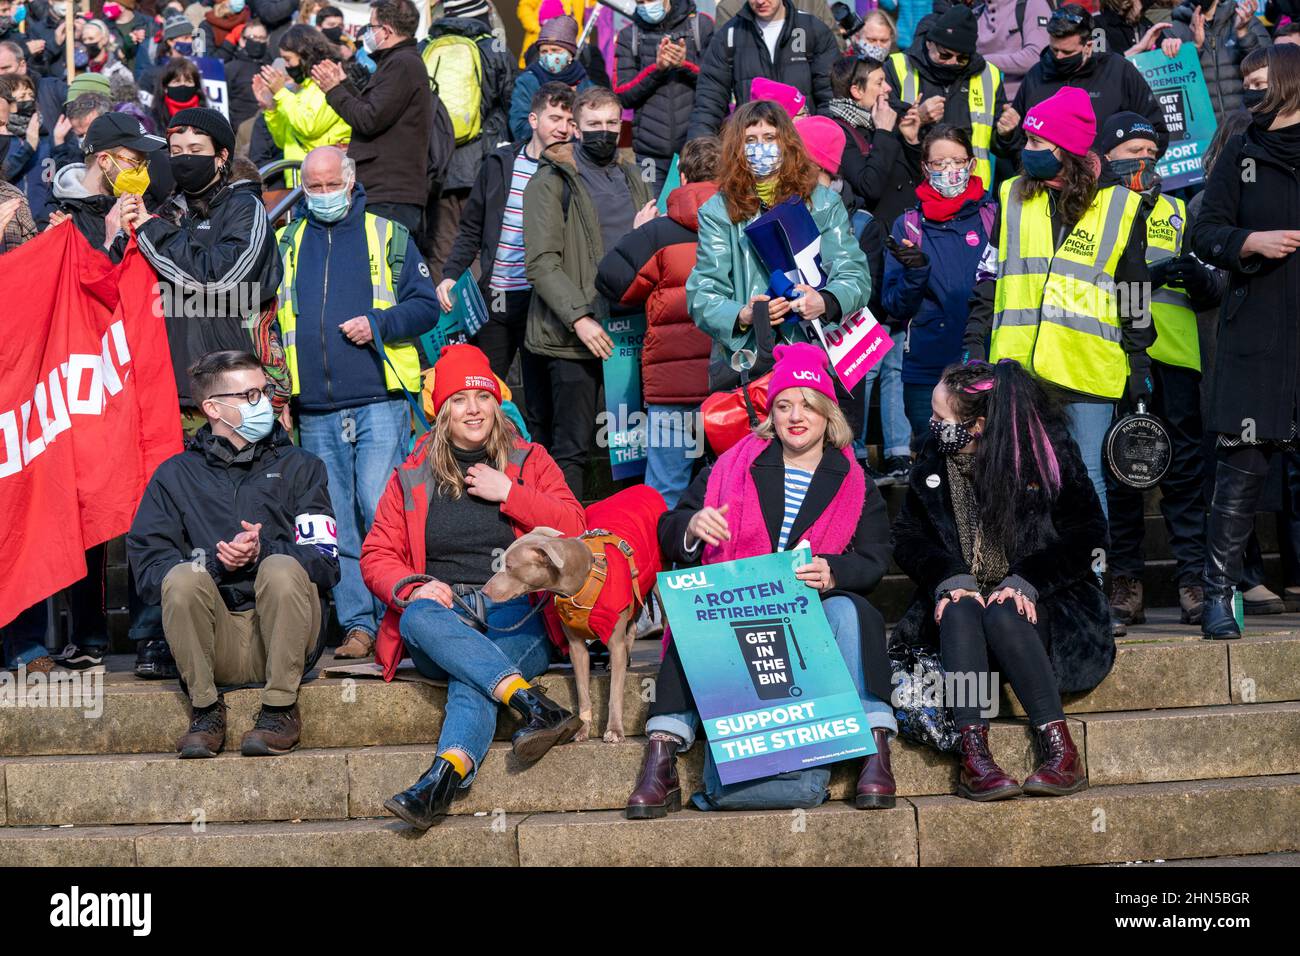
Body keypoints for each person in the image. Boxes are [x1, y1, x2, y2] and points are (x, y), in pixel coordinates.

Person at [627, 342, 898, 817]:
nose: (796, 416)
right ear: (770, 413)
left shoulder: (853, 479)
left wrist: (834, 570)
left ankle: (875, 751)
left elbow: (876, 559)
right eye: (784, 405)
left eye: (807, 405)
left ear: (827, 412)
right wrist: (692, 527)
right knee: (697, 613)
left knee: (853, 611)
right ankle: (662, 757)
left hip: (807, 607)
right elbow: (670, 529)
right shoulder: (730, 465)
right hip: (738, 602)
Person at [359, 344, 587, 830]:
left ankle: (441, 780)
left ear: (496, 402)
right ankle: (533, 704)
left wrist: (513, 494)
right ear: (441, 411)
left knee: (472, 677)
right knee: (418, 615)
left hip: (516, 613)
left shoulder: (529, 460)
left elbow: (574, 527)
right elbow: (377, 554)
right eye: (459, 399)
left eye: (482, 397)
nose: (473, 409)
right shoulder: (412, 474)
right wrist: (414, 585)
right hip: (444, 616)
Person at [891, 361, 1112, 800]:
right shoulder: (934, 459)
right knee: (961, 605)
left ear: (976, 426)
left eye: (941, 417)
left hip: (1045, 608)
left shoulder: (1046, 454)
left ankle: (1060, 750)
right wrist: (948, 575)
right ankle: (975, 755)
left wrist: (1027, 580)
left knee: (1005, 611)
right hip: (962, 623)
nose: (931, 425)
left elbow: (1089, 537)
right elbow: (906, 537)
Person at [127, 350, 340, 758]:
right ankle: (206, 710)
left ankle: (280, 709)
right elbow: (149, 572)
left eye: (265, 391)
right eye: (250, 395)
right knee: (184, 575)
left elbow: (327, 562)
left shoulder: (302, 466)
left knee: (280, 565)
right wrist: (217, 562)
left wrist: (262, 553)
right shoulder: (174, 475)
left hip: (285, 636)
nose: (265, 403)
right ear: (212, 408)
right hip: (213, 642)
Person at [275, 145, 438, 662]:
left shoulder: (388, 234)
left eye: (329, 185)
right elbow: (270, 319)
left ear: (350, 182)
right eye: (312, 188)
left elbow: (426, 306)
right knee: (334, 521)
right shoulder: (286, 241)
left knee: (382, 512)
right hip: (315, 408)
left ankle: (402, 618)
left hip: (379, 399)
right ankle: (357, 625)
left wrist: (379, 323)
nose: (321, 195)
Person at [963, 86, 1154, 517]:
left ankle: (1092, 577)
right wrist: (976, 347)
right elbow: (989, 278)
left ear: (1065, 148)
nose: (1026, 148)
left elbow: (1134, 292)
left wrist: (1139, 367)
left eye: (1035, 141)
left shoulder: (1121, 205)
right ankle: (1028, 581)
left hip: (1087, 371)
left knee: (1084, 479)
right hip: (1018, 370)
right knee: (1021, 479)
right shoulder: (1011, 194)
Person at [1189, 44, 1300, 638]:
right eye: (1249, 83)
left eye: (1264, 82)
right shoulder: (1243, 148)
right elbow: (1205, 230)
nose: (1254, 93)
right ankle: (1217, 596)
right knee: (1239, 471)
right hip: (1258, 332)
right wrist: (1248, 243)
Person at [1098, 112, 1221, 630]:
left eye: (1152, 152)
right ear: (1107, 157)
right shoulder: (1095, 210)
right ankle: (1126, 583)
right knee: (1121, 472)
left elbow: (1215, 287)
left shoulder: (1180, 209)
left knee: (1186, 475)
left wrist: (1196, 276)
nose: (1144, 160)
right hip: (1114, 359)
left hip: (1174, 357)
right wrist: (1141, 279)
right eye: (1132, 152)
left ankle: (1194, 580)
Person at [522, 85, 654, 497]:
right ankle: (570, 545)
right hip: (571, 337)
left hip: (626, 329)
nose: (604, 132)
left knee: (631, 448)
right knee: (572, 447)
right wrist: (579, 319)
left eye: (611, 124)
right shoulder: (550, 182)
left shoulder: (633, 177)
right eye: (594, 124)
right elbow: (542, 263)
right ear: (575, 128)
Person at [686, 98, 873, 387]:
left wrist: (824, 300)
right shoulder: (717, 211)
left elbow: (855, 275)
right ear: (737, 148)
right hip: (750, 360)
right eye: (750, 140)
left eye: (769, 137)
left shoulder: (823, 202)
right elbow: (702, 292)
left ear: (786, 142)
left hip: (814, 355)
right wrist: (744, 314)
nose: (761, 147)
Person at [135, 107, 288, 426]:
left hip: (235, 390)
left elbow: (223, 278)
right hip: (175, 389)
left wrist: (151, 233)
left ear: (221, 156)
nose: (183, 159)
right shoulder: (165, 213)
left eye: (195, 150)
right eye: (176, 151)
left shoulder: (245, 209)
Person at [597, 134, 720, 508]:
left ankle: (664, 565)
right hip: (732, 383)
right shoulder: (743, 225)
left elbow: (611, 284)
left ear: (681, 177)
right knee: (730, 489)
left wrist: (636, 234)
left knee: (665, 491)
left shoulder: (656, 233)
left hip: (672, 388)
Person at [439, 82, 575, 383]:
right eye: (555, 118)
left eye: (570, 121)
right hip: (495, 298)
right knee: (488, 385)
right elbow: (471, 228)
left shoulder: (574, 172)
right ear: (534, 120)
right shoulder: (500, 163)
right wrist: (450, 274)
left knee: (539, 395)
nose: (563, 128)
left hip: (542, 302)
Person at [884, 123, 999, 440]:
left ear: (971, 164)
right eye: (939, 163)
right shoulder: (908, 225)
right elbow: (893, 303)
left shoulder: (992, 216)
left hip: (984, 359)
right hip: (927, 366)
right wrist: (916, 272)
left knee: (986, 462)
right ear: (925, 168)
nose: (949, 170)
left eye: (957, 161)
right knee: (932, 461)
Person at [310, 0, 432, 234]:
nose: (367, 32)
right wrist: (344, 84)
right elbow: (375, 109)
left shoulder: (402, 64)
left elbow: (368, 119)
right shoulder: (395, 63)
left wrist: (334, 90)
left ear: (386, 31)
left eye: (371, 26)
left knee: (386, 266)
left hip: (391, 193)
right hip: (383, 189)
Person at [423, 0, 516, 284]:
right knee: (483, 240)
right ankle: (481, 319)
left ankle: (443, 319)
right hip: (484, 163)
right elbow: (514, 103)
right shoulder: (494, 49)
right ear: (482, 14)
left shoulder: (425, 48)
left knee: (442, 244)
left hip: (439, 166)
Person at [884, 4, 1017, 200]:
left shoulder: (989, 75)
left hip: (972, 193)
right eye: (945, 55)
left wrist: (1006, 133)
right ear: (929, 43)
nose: (953, 62)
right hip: (912, 188)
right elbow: (880, 135)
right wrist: (917, 118)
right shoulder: (897, 67)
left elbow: (997, 145)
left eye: (962, 58)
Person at [1011, 5, 1169, 156]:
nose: (1058, 57)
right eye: (1054, 50)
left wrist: (1124, 172)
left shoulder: (1119, 71)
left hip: (1109, 181)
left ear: (1088, 46)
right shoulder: (1036, 76)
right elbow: (1018, 140)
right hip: (1051, 181)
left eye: (1067, 52)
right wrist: (1007, 135)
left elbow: (1155, 131)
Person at [686, 0, 839, 138]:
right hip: (754, 149)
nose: (760, 1)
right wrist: (698, 149)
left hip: (804, 147)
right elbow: (709, 102)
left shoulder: (813, 30)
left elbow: (830, 98)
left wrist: (823, 141)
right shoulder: (729, 35)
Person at [613, 0, 715, 197]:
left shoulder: (701, 26)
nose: (645, 6)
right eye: (639, 2)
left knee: (697, 216)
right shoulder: (629, 35)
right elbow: (622, 94)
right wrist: (656, 69)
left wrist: (684, 65)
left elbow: (718, 83)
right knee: (649, 213)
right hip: (650, 154)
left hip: (697, 150)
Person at [826, 53, 922, 237]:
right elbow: (870, 187)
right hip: (879, 236)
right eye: (879, 83)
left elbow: (916, 180)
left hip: (907, 228)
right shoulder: (840, 132)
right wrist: (883, 133)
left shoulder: (883, 119)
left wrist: (912, 141)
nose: (888, 88)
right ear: (857, 91)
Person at [50, 110, 163, 260]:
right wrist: (108, 245)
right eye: (136, 162)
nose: (143, 172)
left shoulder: (138, 207)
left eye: (145, 164)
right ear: (105, 161)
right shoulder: (59, 216)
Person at [253, 23, 350, 187]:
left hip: (327, 181)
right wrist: (271, 109)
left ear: (304, 55)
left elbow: (308, 126)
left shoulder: (328, 82)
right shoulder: (302, 88)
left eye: (288, 59)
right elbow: (283, 140)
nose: (286, 66)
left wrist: (280, 92)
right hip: (298, 181)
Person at [1166, 0, 1272, 124]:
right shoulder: (1174, 30)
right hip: (1204, 130)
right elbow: (1171, 83)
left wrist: (1243, 34)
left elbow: (1269, 68)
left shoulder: (1246, 21)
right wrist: (1194, 48)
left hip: (1246, 125)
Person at [509, 13, 595, 142]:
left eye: (555, 50)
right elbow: (519, 127)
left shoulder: (583, 81)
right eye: (544, 51)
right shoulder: (528, 81)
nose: (549, 56)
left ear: (570, 54)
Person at [0, 72, 52, 224]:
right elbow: (4, 174)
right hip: (11, 221)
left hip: (41, 221)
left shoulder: (45, 135)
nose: (29, 100)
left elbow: (49, 177)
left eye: (31, 95)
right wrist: (28, 147)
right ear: (8, 104)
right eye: (22, 97)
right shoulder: (5, 139)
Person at [974, 0, 1054, 98]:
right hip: (980, 101)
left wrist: (983, 62)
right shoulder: (975, 13)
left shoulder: (1032, 4)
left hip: (1020, 102)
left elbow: (1037, 57)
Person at [214, 16, 269, 151]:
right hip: (240, 136)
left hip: (267, 132)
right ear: (242, 41)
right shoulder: (231, 69)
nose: (258, 42)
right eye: (253, 37)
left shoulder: (270, 68)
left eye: (262, 38)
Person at [149, 56, 206, 131]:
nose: (183, 85)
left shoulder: (206, 117)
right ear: (165, 87)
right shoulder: (153, 118)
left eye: (188, 81)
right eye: (177, 81)